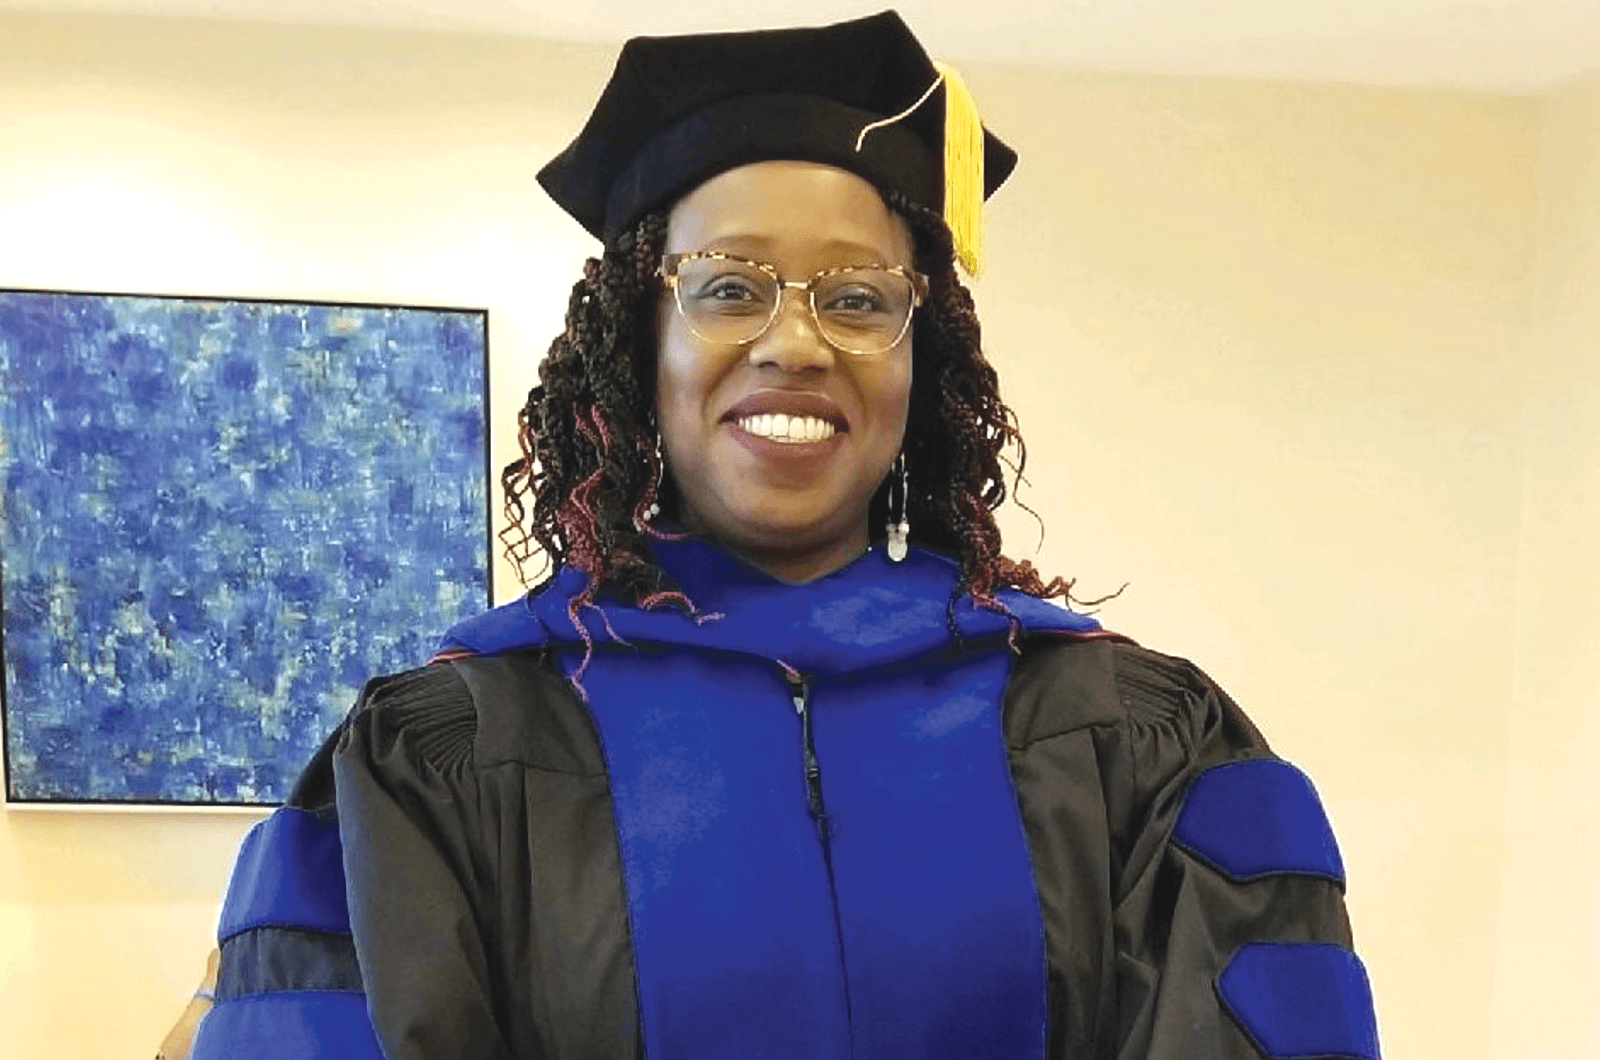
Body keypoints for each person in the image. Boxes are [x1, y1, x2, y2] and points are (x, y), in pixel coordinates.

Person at [171, 11, 1380, 1060]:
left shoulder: (1134, 740)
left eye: (859, 298)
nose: (795, 342)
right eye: (728, 284)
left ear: (926, 359)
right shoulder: (446, 752)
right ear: (638, 343)